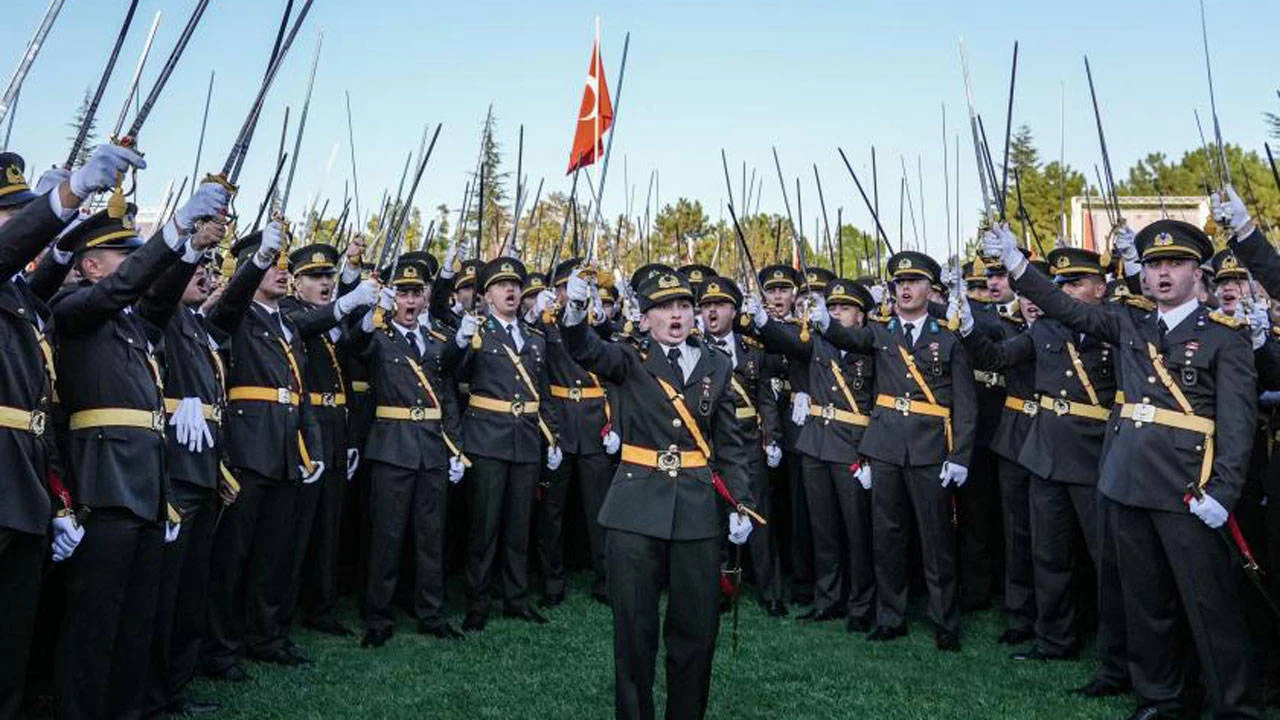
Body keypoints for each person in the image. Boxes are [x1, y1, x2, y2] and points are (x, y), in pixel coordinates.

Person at [988, 217, 1261, 718]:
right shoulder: (1128, 322)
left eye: (1175, 264)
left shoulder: (1225, 337)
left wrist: (1223, 493)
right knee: (1145, 602)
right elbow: (1064, 306)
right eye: (1155, 264)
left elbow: (1238, 428)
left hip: (1189, 489)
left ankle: (1233, 704)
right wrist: (1015, 264)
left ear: (1197, 272)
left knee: (1208, 605)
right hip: (1126, 482)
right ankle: (1159, 697)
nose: (1162, 274)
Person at [51, 158, 228, 719]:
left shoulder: (132, 325)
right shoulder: (72, 308)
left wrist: (190, 249)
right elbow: (127, 288)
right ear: (92, 264)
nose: (133, 266)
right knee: (94, 625)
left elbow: (156, 291)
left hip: (147, 488)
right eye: (124, 256)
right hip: (103, 487)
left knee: (135, 622)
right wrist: (173, 231)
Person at [562, 266, 756, 720]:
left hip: (696, 509)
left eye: (684, 306)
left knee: (696, 630)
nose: (676, 315)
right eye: (664, 307)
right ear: (644, 318)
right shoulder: (628, 358)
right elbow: (583, 348)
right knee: (634, 631)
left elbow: (730, 443)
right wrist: (574, 310)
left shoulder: (716, 364)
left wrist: (740, 502)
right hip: (634, 508)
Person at [953, 246, 1131, 694]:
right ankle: (1054, 638)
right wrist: (971, 329)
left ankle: (1117, 656)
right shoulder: (1047, 327)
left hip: (1097, 457)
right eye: (1061, 284)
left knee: (1106, 562)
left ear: (1100, 287)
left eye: (1075, 283)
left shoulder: (1119, 324)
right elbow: (997, 358)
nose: (1065, 291)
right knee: (1047, 554)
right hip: (1047, 454)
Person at [0, 149, 138, 720]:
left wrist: (55, 497)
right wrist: (68, 198)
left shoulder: (23, 304)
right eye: (13, 217)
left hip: (22, 491)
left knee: (9, 652)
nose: (23, 228)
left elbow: (39, 413)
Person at [806, 250, 977, 651]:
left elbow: (966, 407)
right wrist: (823, 319)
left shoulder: (948, 336)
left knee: (936, 541)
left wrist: (961, 456)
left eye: (914, 282)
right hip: (884, 447)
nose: (905, 288)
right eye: (900, 282)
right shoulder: (881, 332)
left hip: (930, 447)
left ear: (930, 290)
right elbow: (848, 336)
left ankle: (944, 621)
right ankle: (890, 616)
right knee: (887, 536)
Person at [203, 223, 325, 680]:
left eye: (280, 262)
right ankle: (220, 648)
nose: (280, 270)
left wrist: (311, 448)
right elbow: (230, 304)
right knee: (232, 557)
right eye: (269, 262)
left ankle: (267, 636)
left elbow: (300, 391)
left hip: (287, 450)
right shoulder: (235, 314)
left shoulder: (287, 324)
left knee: (275, 554)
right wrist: (250, 269)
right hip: (248, 450)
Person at [351, 256, 467, 647]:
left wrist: (455, 447)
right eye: (403, 292)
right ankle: (378, 617)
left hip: (432, 449)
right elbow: (356, 346)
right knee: (387, 536)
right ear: (392, 296)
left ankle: (431, 613)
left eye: (416, 292)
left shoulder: (437, 342)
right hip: (392, 447)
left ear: (426, 296)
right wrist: (371, 315)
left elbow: (448, 395)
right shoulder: (379, 336)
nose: (410, 300)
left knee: (430, 536)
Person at [749, 277, 877, 629]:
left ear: (861, 316)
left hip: (852, 444)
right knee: (822, 529)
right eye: (832, 308)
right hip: (816, 444)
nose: (836, 314)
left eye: (844, 309)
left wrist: (870, 450)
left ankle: (862, 604)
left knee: (857, 530)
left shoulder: (870, 345)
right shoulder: (816, 342)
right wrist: (762, 321)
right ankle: (827, 598)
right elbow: (786, 340)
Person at [451, 257, 562, 631]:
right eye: (501, 285)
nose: (511, 290)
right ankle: (478, 601)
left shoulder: (535, 338)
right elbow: (455, 374)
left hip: (526, 439)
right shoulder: (477, 331)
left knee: (519, 525)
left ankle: (516, 598)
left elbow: (543, 393)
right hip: (486, 438)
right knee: (484, 526)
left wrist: (553, 435)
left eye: (515, 284)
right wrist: (462, 342)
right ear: (485, 295)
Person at [279, 243, 378, 642]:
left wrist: (364, 321)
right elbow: (305, 327)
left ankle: (322, 606)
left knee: (329, 529)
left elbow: (348, 374)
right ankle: (283, 611)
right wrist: (344, 304)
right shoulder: (288, 312)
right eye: (315, 277)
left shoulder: (330, 321)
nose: (324, 283)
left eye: (328, 278)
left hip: (337, 428)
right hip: (307, 431)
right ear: (295, 282)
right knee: (297, 530)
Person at [532, 257, 618, 606]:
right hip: (560, 423)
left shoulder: (599, 323)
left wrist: (616, 425)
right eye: (567, 287)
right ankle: (552, 581)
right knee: (551, 510)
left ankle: (606, 579)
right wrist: (549, 431)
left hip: (596, 423)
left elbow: (617, 373)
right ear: (557, 291)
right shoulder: (546, 324)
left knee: (600, 508)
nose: (574, 293)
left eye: (582, 286)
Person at [700, 277, 786, 617]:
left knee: (759, 518)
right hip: (711, 444)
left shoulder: (753, 352)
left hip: (750, 441)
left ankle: (771, 592)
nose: (711, 312)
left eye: (718, 306)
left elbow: (765, 399)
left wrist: (773, 438)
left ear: (733, 311)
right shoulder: (695, 349)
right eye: (706, 306)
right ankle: (721, 590)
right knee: (716, 521)